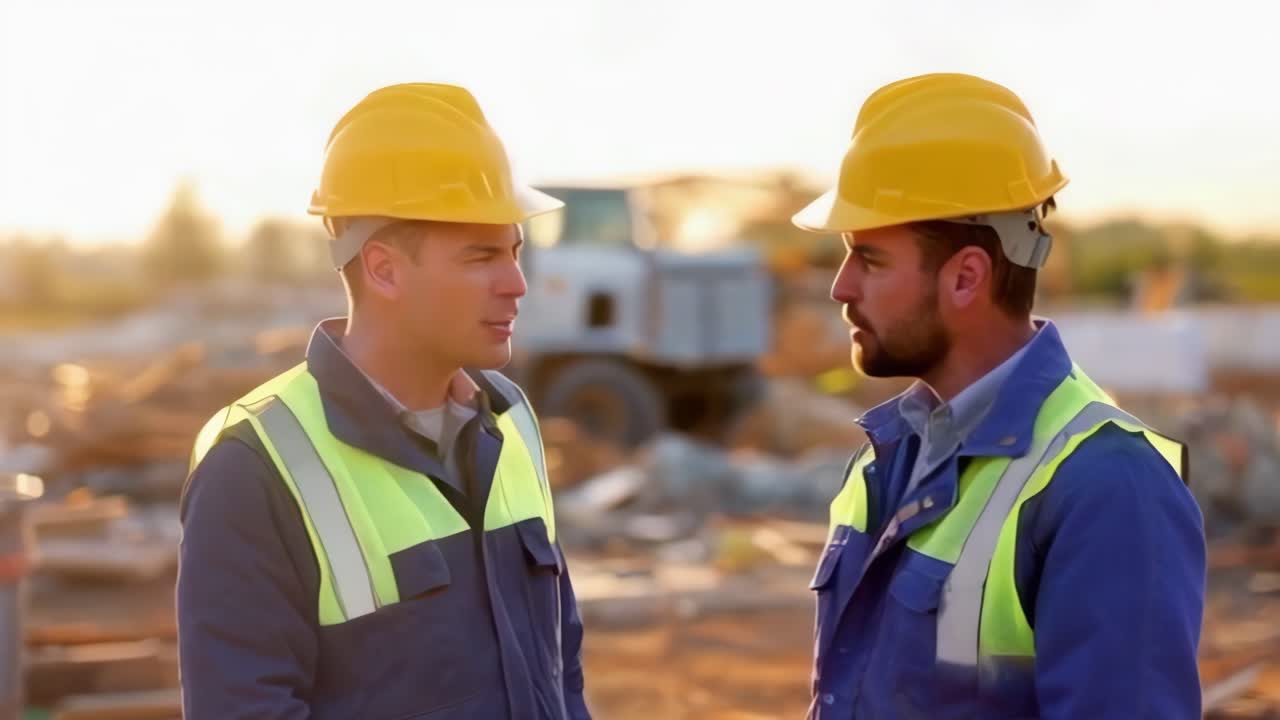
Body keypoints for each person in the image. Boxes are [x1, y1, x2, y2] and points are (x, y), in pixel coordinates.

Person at [792, 73, 1206, 719]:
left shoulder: (1107, 486)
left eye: (869, 259)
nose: (840, 288)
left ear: (965, 277)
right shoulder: (889, 458)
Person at [176, 83, 591, 720]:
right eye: (480, 256)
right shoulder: (256, 466)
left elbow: (561, 666)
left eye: (514, 251)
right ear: (383, 269)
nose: (517, 283)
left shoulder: (511, 422)